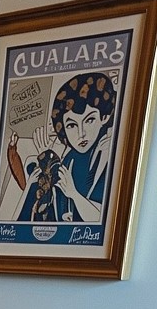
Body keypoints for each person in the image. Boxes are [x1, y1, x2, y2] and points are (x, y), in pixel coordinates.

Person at [12, 71, 117, 224]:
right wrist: (47, 162)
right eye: (72, 125)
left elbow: (105, 221)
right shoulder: (69, 159)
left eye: (89, 120)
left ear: (104, 117)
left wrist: (74, 194)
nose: (81, 134)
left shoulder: (107, 155)